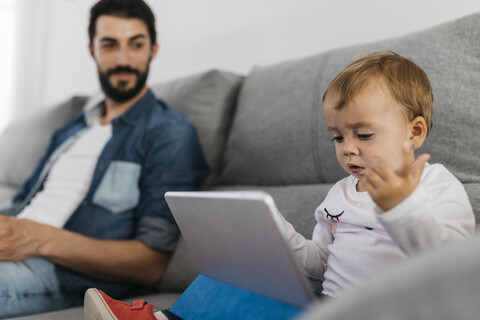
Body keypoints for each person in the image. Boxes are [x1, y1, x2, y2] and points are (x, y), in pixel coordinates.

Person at [84, 51, 475, 319]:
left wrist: (400, 206)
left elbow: (455, 265)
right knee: (234, 278)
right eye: (338, 137)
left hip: (384, 310)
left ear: (415, 131)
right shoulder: (340, 193)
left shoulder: (436, 186)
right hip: (326, 306)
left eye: (364, 135)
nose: (349, 150)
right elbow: (321, 264)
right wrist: (276, 234)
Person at [0, 0, 209, 318]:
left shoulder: (170, 133)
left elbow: (151, 264)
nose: (123, 59)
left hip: (58, 272)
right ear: (92, 50)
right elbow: (21, 203)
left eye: (135, 45)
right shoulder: (70, 129)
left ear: (152, 50)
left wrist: (39, 238)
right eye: (109, 45)